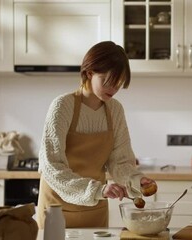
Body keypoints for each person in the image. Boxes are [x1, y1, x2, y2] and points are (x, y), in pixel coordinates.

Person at [37, 41, 156, 228]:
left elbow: (120, 161)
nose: (114, 89)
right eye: (108, 81)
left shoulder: (115, 110)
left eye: (119, 82)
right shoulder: (62, 106)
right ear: (90, 73)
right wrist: (97, 190)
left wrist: (136, 179)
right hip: (57, 207)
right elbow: (52, 165)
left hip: (96, 206)